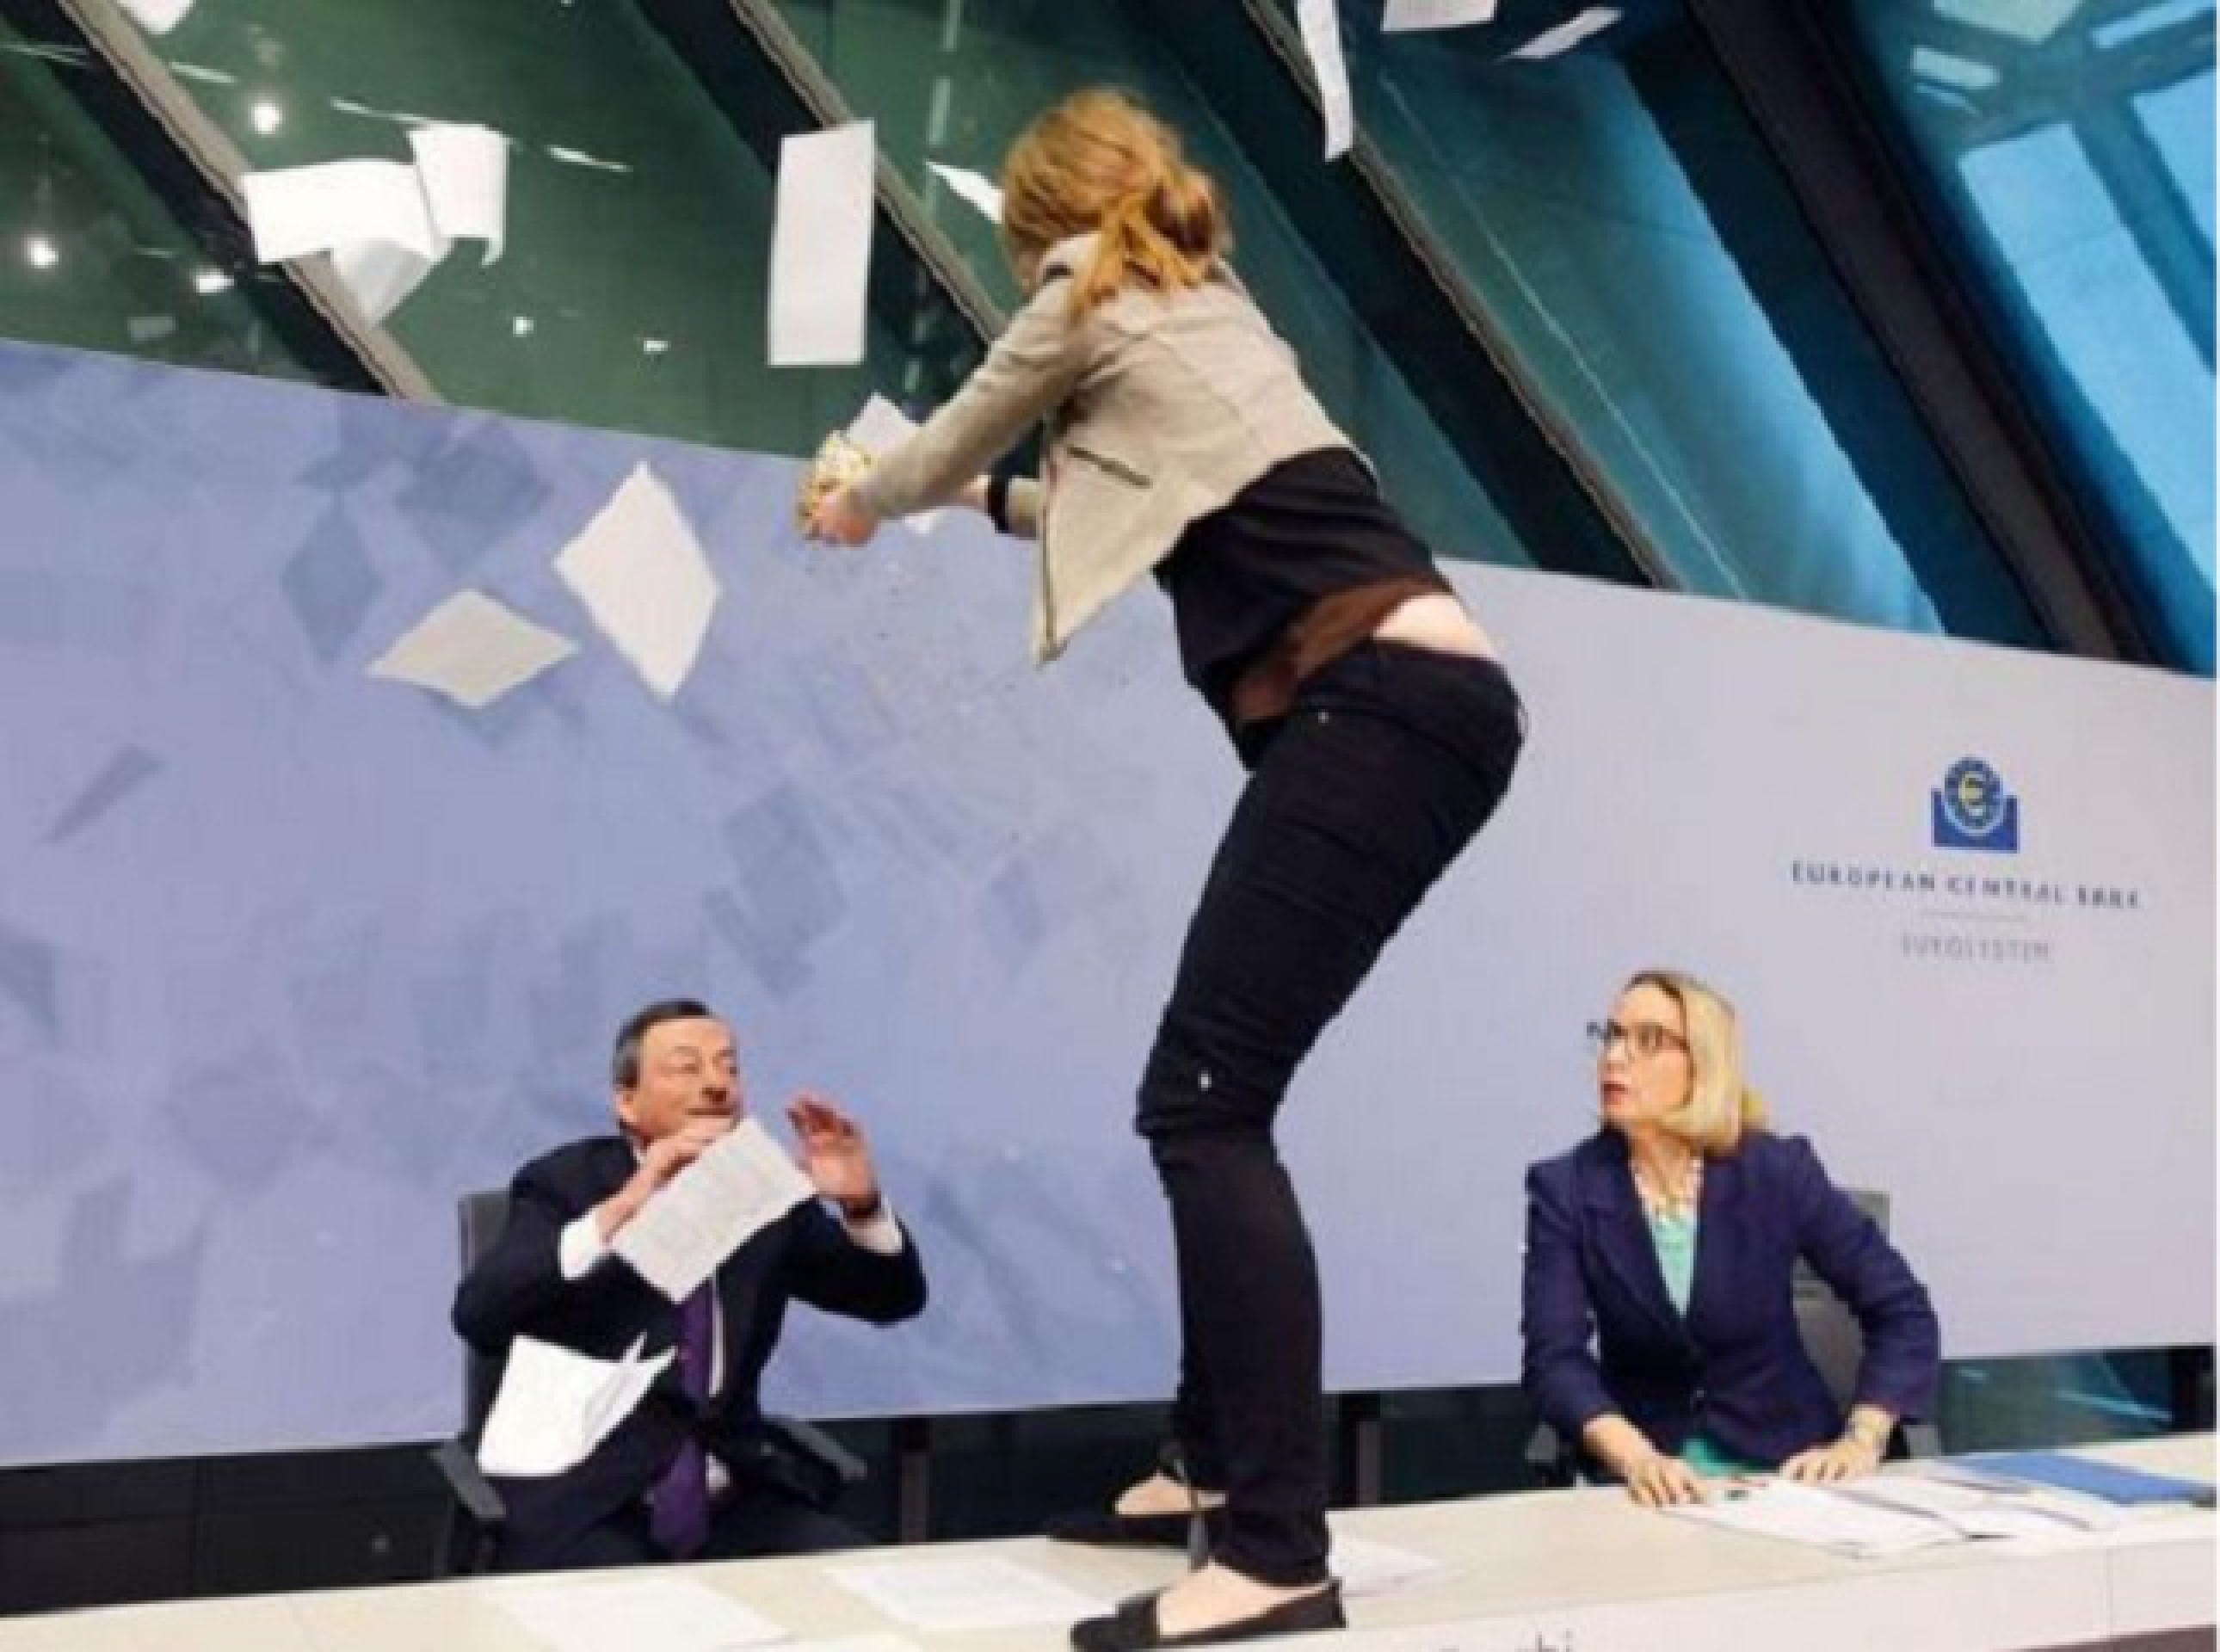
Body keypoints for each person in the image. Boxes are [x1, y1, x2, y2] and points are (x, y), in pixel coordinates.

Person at [807, 88, 1525, 1650]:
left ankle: (1273, 1555)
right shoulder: (1205, 306)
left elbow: (957, 429)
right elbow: (1120, 509)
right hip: (1427, 705)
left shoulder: (1088, 287)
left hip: (1374, 702)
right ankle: (1206, 1467)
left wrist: (863, 499)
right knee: (1221, 1095)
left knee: (1204, 1104)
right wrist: (975, 504)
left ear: (1040, 227)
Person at [452, 998, 928, 1570]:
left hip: (731, 1495)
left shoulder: (761, 1194)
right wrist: (622, 1210)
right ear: (626, 1101)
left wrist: (862, 1206)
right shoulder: (566, 1183)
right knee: (634, 1610)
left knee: (862, 1586)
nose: (716, 1085)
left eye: (729, 1067)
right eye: (687, 1067)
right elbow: (481, 1314)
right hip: (591, 1497)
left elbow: (890, 1298)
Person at [1520, 970, 1941, 1508]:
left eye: (1648, 1040)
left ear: (1704, 1064)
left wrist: (1862, 1439)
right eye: (1613, 1036)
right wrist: (1635, 1458)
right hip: (1647, 1482)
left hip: (1790, 1473)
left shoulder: (1776, 1172)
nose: (1615, 1058)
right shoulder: (1566, 1189)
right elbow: (1555, 1360)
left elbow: (1902, 1310)